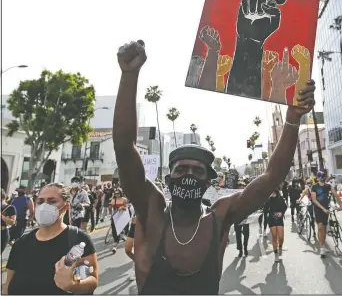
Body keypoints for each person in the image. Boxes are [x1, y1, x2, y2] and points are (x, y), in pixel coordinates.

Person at [113, 40, 315, 294]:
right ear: (168, 178)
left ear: (209, 181)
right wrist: (129, 76)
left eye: (197, 171)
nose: (188, 175)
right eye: (181, 170)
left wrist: (293, 118)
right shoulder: (151, 212)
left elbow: (272, 176)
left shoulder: (219, 218)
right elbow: (124, 148)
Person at [2, 183, 98, 295]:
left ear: (65, 207)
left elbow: (93, 281)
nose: (44, 206)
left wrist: (72, 284)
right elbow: (7, 287)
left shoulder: (78, 240)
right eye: (40, 202)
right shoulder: (21, 244)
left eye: (52, 201)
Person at [311, 171, 342, 257]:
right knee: (320, 226)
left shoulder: (328, 186)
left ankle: (323, 244)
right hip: (318, 209)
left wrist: (341, 205)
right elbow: (314, 200)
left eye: (324, 176)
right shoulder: (314, 187)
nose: (322, 178)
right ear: (317, 178)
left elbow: (336, 195)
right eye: (321, 176)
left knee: (324, 228)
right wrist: (323, 208)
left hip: (327, 209)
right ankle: (322, 248)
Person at [265, 188, 287, 262]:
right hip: (271, 219)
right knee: (274, 236)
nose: (272, 193)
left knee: (281, 237)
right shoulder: (268, 200)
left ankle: (280, 246)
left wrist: (282, 213)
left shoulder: (280, 198)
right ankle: (276, 254)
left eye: (273, 192)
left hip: (279, 219)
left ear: (276, 191)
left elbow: (285, 207)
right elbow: (265, 209)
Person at [110, 188, 128, 254]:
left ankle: (116, 244)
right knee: (114, 229)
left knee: (118, 230)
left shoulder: (124, 199)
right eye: (115, 193)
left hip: (121, 216)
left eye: (118, 193)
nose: (117, 194)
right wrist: (112, 213)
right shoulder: (113, 200)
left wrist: (122, 207)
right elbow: (111, 207)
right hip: (115, 216)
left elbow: (126, 207)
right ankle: (116, 241)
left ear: (120, 193)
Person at [1, 189, 16, 254]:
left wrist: (2, 216)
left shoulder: (10, 208)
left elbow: (12, 222)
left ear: (3, 197)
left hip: (2, 233)